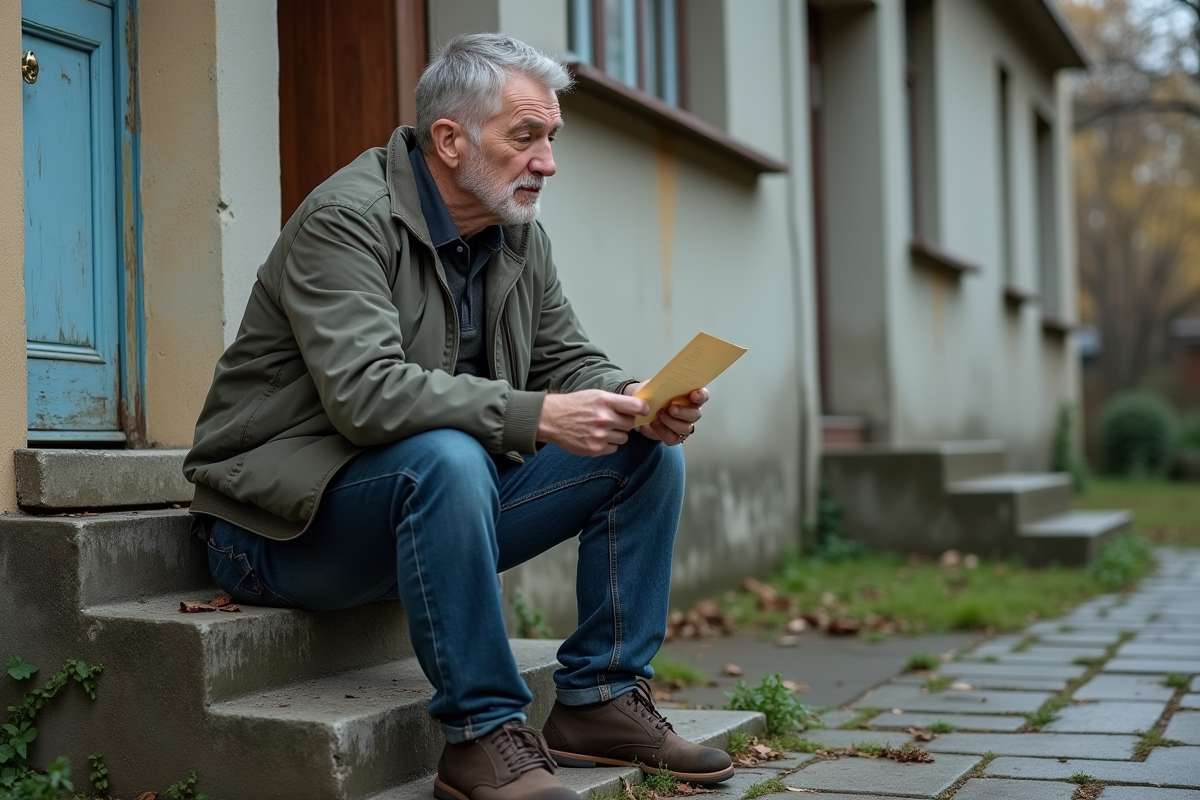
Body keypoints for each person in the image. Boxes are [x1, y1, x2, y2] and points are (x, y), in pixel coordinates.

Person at [183, 32, 733, 800]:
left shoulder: (516, 236)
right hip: (276, 532)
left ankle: (601, 700)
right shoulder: (346, 220)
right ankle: (481, 737)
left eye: (551, 138)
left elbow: (568, 360)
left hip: (426, 508)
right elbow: (368, 393)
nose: (547, 161)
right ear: (449, 140)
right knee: (448, 454)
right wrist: (539, 416)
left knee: (641, 452)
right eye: (526, 137)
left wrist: (636, 399)